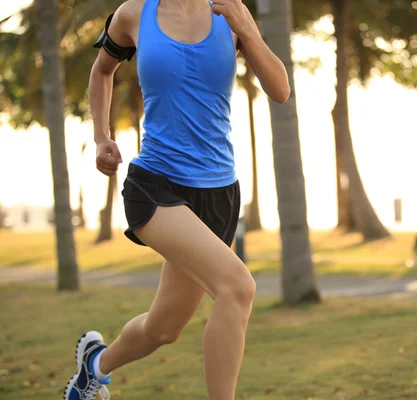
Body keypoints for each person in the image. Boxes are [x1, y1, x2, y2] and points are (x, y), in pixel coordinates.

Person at [63, 0, 290, 399]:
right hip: (156, 184)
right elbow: (102, 71)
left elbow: (280, 90)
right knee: (238, 287)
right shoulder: (133, 14)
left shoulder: (230, 12)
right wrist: (101, 136)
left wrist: (248, 31)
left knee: (163, 329)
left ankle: (94, 366)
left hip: (219, 194)